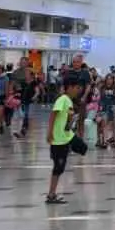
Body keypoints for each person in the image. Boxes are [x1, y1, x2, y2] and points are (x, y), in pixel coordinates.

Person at [45, 76, 82, 205]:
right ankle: (51, 194)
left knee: (82, 149)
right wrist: (50, 132)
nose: (78, 90)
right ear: (70, 87)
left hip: (65, 137)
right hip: (58, 140)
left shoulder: (69, 101)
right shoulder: (63, 99)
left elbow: (67, 121)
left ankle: (52, 193)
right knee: (58, 167)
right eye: (77, 88)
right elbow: (53, 115)